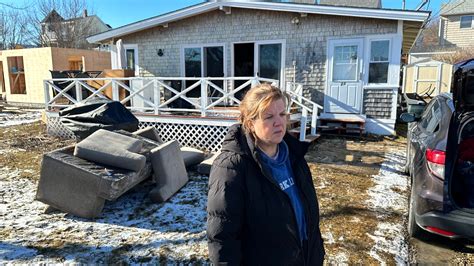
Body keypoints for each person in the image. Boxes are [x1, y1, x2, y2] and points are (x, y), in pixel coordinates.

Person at [207, 84, 325, 265]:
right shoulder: (231, 168)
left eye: (282, 114)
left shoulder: (295, 157)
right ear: (250, 123)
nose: (279, 122)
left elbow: (309, 216)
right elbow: (223, 239)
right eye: (269, 117)